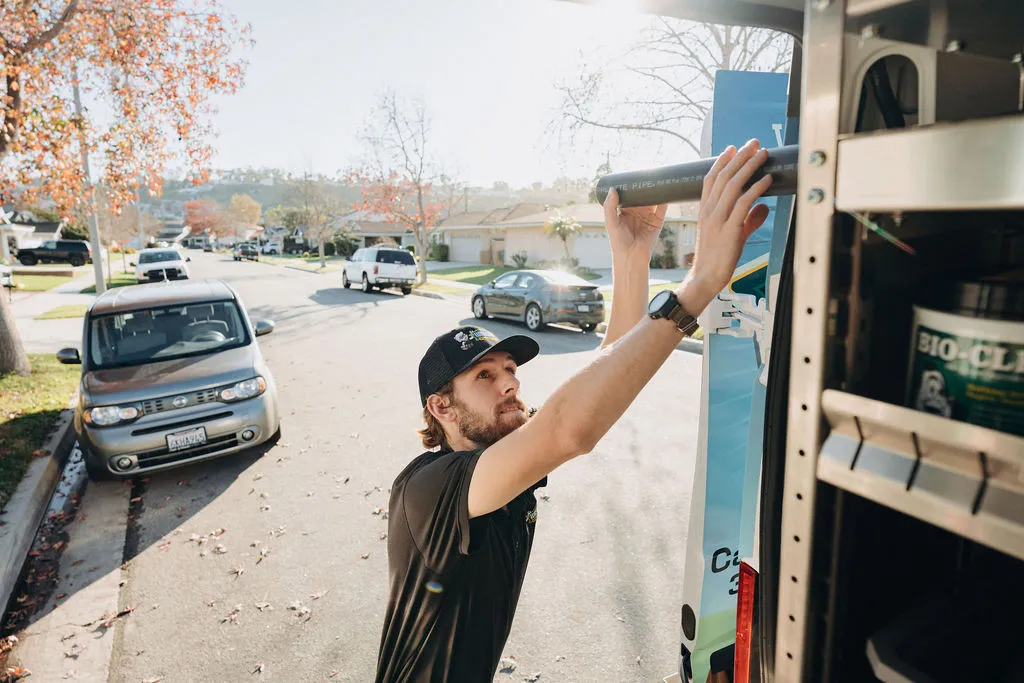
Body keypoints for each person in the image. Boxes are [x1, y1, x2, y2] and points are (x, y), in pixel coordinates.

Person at [375, 140, 775, 682]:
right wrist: (698, 284)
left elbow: (607, 367)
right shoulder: (433, 488)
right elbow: (569, 428)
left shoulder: (501, 456)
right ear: (440, 407)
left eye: (510, 370)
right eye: (485, 376)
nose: (510, 384)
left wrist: (632, 254)